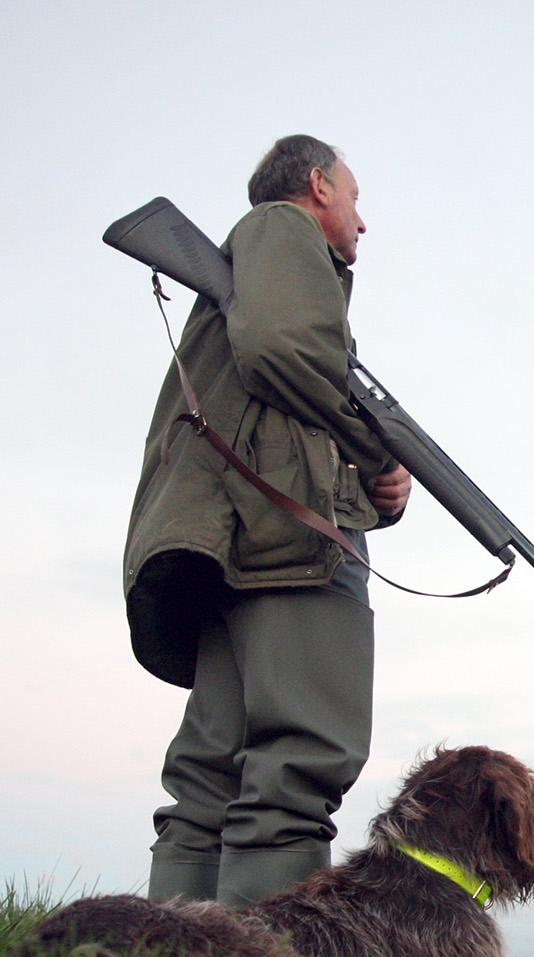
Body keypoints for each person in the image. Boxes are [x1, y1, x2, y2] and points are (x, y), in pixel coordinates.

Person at [122, 134, 413, 907]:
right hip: (288, 549)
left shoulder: (253, 269)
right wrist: (375, 447)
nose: (361, 220)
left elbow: (273, 395)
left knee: (212, 771)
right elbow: (285, 347)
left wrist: (368, 487)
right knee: (298, 757)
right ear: (317, 186)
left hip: (242, 542)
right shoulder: (281, 230)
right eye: (354, 196)